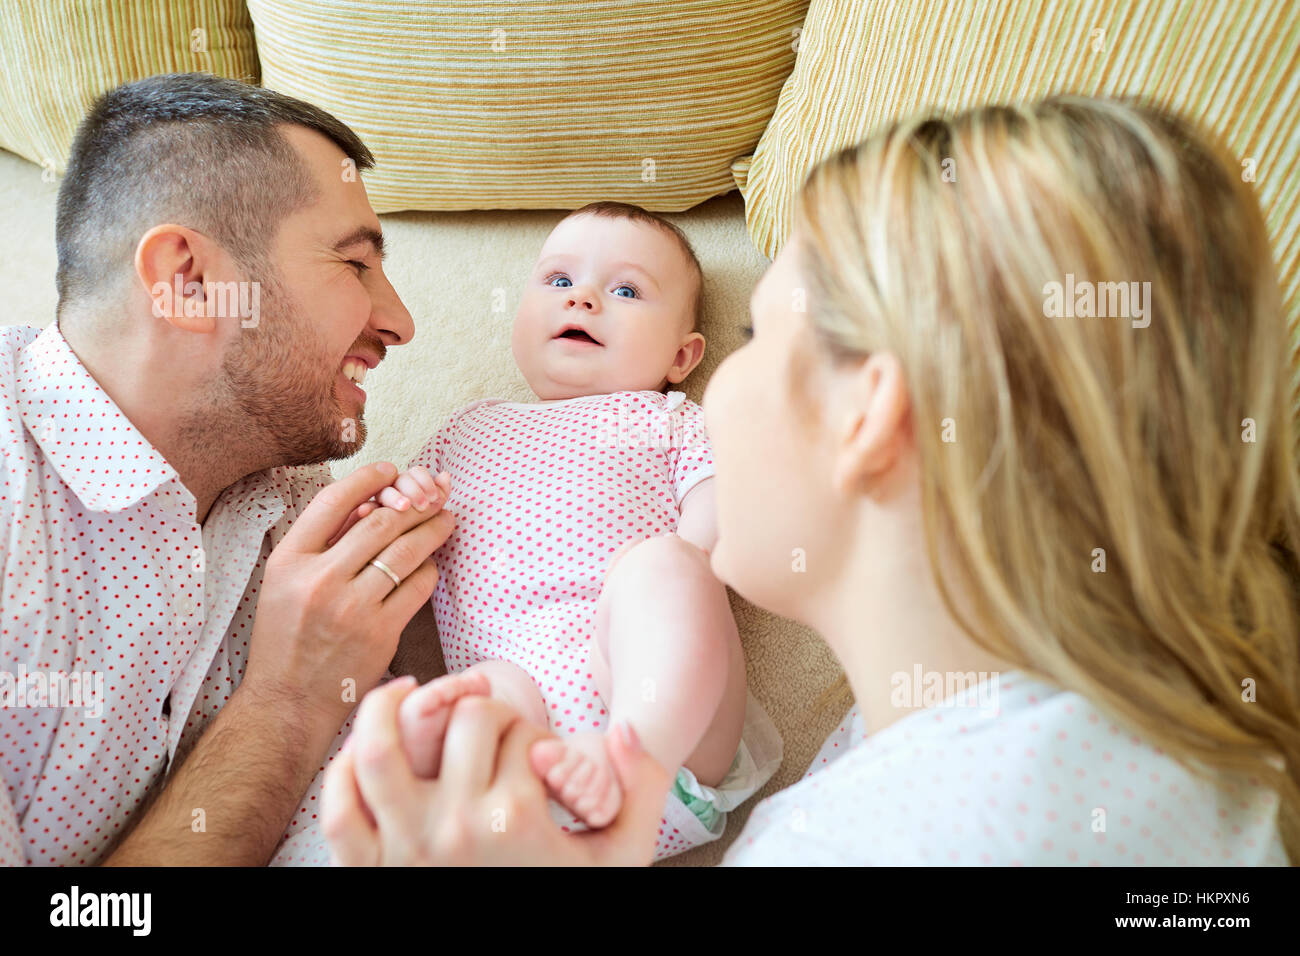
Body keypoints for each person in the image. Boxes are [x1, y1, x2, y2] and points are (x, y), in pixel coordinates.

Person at [321, 97, 1300, 866]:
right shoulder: (1159, 753)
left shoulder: (876, 842)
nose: (723, 384)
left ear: (868, 413)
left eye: (755, 335)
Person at [0, 72, 454, 865]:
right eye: (354, 264)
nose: (400, 322)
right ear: (190, 281)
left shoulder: (315, 548)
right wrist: (287, 702)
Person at [390, 201, 780, 853]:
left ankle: (631, 754)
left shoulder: (668, 417)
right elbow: (406, 538)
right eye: (559, 281)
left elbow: (719, 504)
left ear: (682, 356)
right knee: (468, 699)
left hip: (655, 703)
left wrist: (687, 561)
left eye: (625, 290)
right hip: (522, 710)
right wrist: (406, 503)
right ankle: (467, 802)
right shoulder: (466, 430)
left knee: (665, 566)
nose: (585, 301)